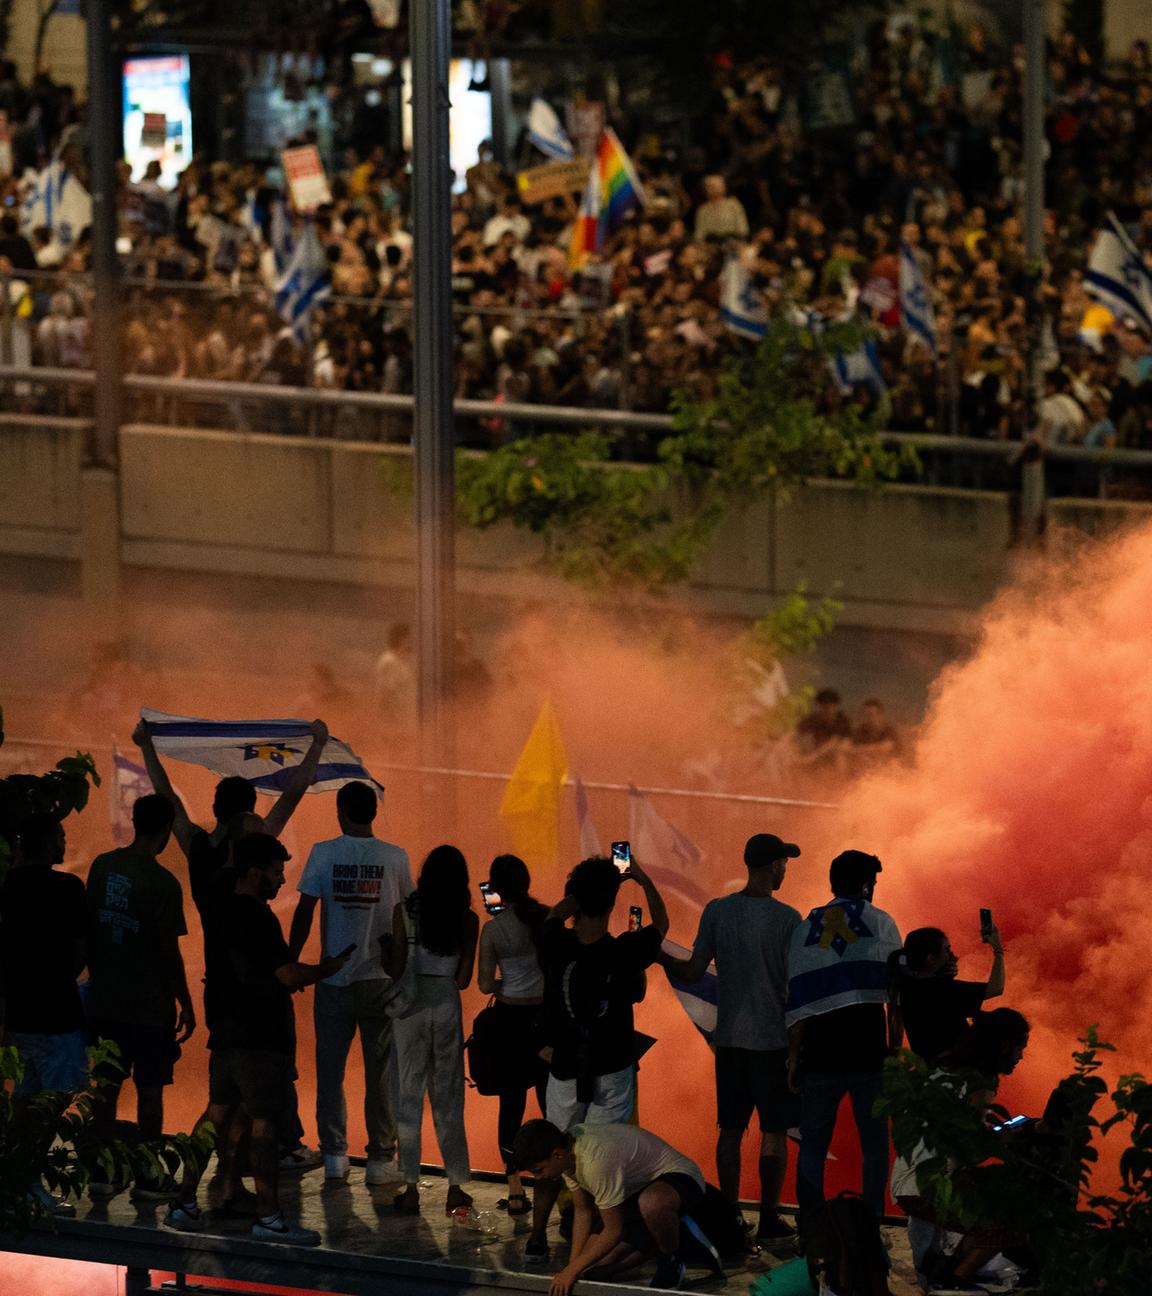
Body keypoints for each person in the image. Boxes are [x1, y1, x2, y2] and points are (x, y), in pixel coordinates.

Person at [133, 715, 329, 1170]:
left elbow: (168, 800)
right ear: (246, 813)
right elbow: (294, 794)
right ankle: (279, 1146)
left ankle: (220, 1169)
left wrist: (147, 748)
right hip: (257, 981)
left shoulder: (198, 850)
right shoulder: (252, 854)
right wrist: (316, 745)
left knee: (226, 1087)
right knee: (271, 1069)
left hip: (218, 979)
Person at [165, 833, 351, 1245]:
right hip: (260, 1037)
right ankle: (269, 1216)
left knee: (217, 1116)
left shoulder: (220, 911)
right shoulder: (258, 917)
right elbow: (286, 975)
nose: (281, 881)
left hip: (227, 1035)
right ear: (255, 872)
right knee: (265, 1126)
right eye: (276, 872)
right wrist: (326, 968)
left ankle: (185, 1201)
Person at [526, 856, 670, 1263]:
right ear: (611, 903)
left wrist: (580, 894)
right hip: (612, 1066)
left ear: (576, 898)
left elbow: (554, 916)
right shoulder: (624, 950)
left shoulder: (555, 942)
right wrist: (639, 878)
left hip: (566, 1066)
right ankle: (606, 1233)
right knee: (607, 1155)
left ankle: (539, 1233)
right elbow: (661, 925)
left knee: (554, 1145)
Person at [661, 833, 802, 1245]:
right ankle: (771, 1217)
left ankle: (730, 1213)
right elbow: (797, 989)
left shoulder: (718, 911)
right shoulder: (789, 920)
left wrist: (656, 954)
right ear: (774, 866)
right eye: (784, 863)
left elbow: (691, 972)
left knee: (730, 1128)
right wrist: (797, 1049)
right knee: (774, 1130)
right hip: (773, 1041)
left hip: (730, 1041)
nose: (785, 870)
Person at [288, 779, 412, 1184]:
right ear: (374, 813)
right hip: (380, 980)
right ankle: (379, 1160)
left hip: (332, 978)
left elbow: (305, 910)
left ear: (339, 811)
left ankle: (335, 1158)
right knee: (380, 1075)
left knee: (330, 1072)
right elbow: (406, 919)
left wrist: (293, 962)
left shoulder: (324, 853)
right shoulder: (396, 858)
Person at [85, 793, 196, 1200]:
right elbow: (169, 951)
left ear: (134, 822)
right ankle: (149, 1177)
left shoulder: (102, 866)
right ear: (166, 831)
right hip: (149, 1007)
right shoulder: (163, 882)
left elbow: (89, 931)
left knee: (105, 1086)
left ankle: (100, 1169)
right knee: (150, 1089)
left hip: (105, 1001)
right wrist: (185, 1000)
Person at [786, 849, 902, 1224]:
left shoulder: (806, 930)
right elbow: (896, 997)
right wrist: (895, 1051)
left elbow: (800, 1002)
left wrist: (793, 1057)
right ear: (868, 885)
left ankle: (811, 1224)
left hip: (820, 1056)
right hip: (869, 1054)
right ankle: (871, 1222)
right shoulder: (882, 924)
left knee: (813, 1146)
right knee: (875, 1147)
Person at [890, 1008, 1031, 1289]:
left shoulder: (945, 1070)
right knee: (1006, 1220)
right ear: (1004, 1045)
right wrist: (1004, 1140)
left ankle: (951, 1270)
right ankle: (955, 1281)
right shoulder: (979, 1084)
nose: (1021, 1057)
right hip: (926, 1186)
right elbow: (969, 1150)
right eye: (1020, 1048)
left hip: (909, 1181)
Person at [386, 845, 479, 1216]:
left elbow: (394, 969)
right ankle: (455, 1187)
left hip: (409, 1007)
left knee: (407, 1095)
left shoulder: (403, 913)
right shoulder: (468, 920)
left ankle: (410, 1187)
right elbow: (464, 978)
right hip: (445, 1003)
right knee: (449, 1096)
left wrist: (384, 952)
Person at [513, 1118, 705, 1294]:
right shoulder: (567, 1155)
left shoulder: (595, 1161)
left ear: (557, 1155)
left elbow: (614, 1230)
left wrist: (571, 1270)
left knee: (652, 1203)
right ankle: (660, 1240)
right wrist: (572, 1267)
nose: (540, 1178)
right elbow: (583, 1211)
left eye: (539, 1170)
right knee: (589, 1270)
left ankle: (671, 1258)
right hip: (633, 1194)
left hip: (676, 1178)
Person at [476, 853, 549, 1215]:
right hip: (545, 1023)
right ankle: (556, 1184)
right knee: (552, 1103)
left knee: (512, 1106)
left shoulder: (494, 929)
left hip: (509, 1023)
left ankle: (516, 1187)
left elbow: (485, 984)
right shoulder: (545, 918)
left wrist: (509, 982)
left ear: (497, 889)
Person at [0, 813, 88, 1098]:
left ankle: (18, 1144)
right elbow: (81, 949)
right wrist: (60, 979)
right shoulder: (69, 888)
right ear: (50, 843)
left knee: (23, 1098)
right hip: (57, 1014)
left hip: (18, 1015)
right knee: (61, 1102)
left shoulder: (8, 886)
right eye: (61, 836)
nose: (65, 842)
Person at [893, 921, 1006, 1065]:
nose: (952, 955)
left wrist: (943, 975)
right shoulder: (941, 990)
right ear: (931, 959)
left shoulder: (908, 987)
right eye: (946, 950)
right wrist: (998, 950)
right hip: (953, 1068)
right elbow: (996, 988)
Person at [791, 689, 851, 772]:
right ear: (819, 707)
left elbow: (836, 742)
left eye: (830, 707)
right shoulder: (813, 719)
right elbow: (795, 733)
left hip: (836, 757)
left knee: (839, 748)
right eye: (824, 708)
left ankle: (841, 779)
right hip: (817, 758)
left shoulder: (842, 721)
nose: (828, 711)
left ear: (836, 707)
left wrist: (810, 758)